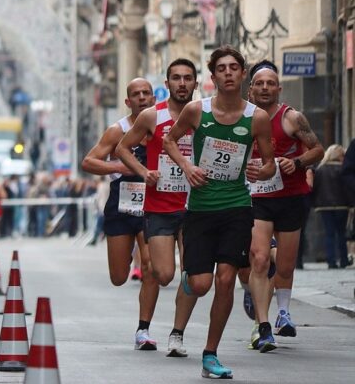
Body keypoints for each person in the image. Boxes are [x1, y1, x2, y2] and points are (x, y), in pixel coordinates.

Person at [163, 45, 275, 378]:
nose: (228, 73)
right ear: (213, 78)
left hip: (237, 208)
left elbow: (269, 164)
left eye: (234, 67)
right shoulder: (197, 111)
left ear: (243, 75)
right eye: (221, 69)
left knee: (226, 280)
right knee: (200, 284)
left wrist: (261, 171)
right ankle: (189, 281)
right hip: (200, 209)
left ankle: (210, 354)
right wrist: (186, 166)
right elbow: (170, 140)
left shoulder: (257, 117)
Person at [116, 58, 200, 357]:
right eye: (176, 78)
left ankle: (177, 334)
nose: (181, 83)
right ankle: (143, 327)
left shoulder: (205, 115)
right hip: (160, 206)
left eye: (187, 78)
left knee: (195, 275)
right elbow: (122, 148)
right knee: (162, 273)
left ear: (195, 83)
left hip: (195, 208)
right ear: (167, 85)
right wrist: (143, 172)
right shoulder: (152, 116)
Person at [241, 60, 324, 350]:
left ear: (279, 88)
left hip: (290, 197)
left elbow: (318, 150)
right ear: (250, 89)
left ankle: (283, 313)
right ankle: (262, 327)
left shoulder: (292, 118)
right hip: (257, 198)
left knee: (286, 265)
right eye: (259, 83)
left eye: (270, 83)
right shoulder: (242, 117)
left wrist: (297, 162)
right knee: (260, 258)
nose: (265, 88)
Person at [82, 78, 159, 351]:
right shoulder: (118, 130)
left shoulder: (164, 126)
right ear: (128, 102)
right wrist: (119, 165)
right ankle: (124, 253)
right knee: (118, 277)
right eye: (136, 94)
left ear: (153, 97)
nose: (141, 98)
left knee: (151, 266)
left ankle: (143, 329)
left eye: (146, 93)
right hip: (121, 202)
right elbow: (89, 161)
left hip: (153, 203)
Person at [312, 145, 350, 268]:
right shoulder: (343, 169)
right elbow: (347, 188)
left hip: (324, 206)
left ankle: (331, 261)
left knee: (329, 234)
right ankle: (344, 259)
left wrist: (315, 202)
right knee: (341, 234)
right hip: (342, 205)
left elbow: (315, 187)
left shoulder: (320, 169)